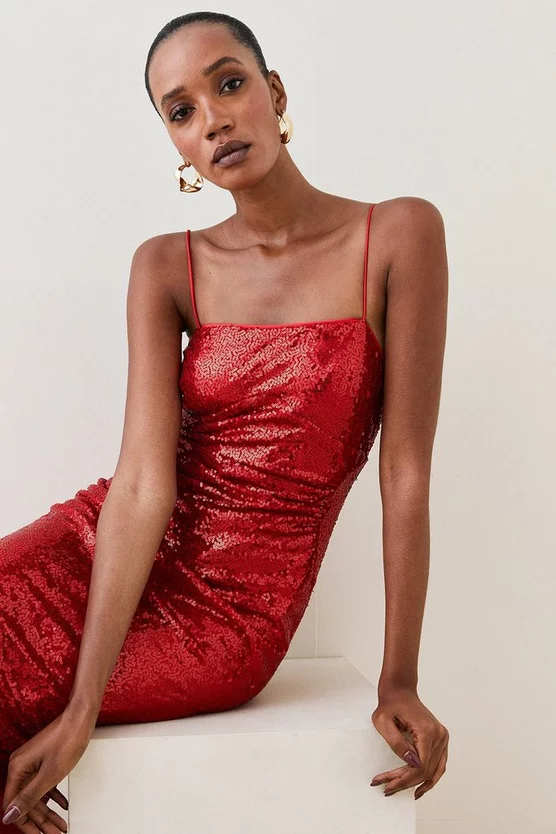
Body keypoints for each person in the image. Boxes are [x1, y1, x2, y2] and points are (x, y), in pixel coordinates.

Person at [0, 11, 450, 831]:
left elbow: (406, 474)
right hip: (103, 551)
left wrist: (401, 678)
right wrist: (82, 706)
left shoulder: (398, 234)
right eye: (181, 110)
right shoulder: (165, 264)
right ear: (174, 141)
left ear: (274, 92)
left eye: (229, 84)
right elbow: (142, 485)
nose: (212, 119)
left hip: (226, 616)